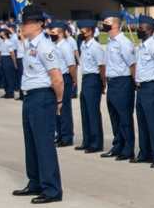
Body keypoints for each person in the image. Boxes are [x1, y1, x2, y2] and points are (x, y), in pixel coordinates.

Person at [11, 5, 65, 204]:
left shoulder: (45, 46)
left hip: (42, 97)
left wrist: (58, 101)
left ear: (37, 24)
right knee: (31, 142)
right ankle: (35, 182)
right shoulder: (31, 46)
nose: (22, 26)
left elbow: (57, 79)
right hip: (30, 97)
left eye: (25, 23)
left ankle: (52, 189)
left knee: (43, 144)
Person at [130, 16, 154, 168]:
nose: (139, 30)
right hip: (141, 88)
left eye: (142, 28)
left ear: (150, 31)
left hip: (151, 87)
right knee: (143, 122)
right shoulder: (143, 46)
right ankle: (145, 153)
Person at [100, 11, 136, 160]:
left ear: (115, 24)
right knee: (114, 116)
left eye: (107, 22)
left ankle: (128, 149)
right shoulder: (110, 42)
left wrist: (134, 84)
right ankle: (118, 146)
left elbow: (132, 65)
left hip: (123, 81)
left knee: (124, 116)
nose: (104, 24)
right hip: (112, 82)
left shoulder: (124, 43)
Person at [75, 19, 105, 153]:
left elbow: (101, 67)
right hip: (86, 79)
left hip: (94, 79)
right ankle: (87, 141)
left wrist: (103, 83)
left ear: (89, 32)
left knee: (93, 112)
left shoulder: (95, 47)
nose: (80, 34)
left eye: (82, 32)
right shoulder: (83, 45)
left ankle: (96, 142)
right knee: (85, 111)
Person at [47, 22, 77, 146]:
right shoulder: (54, 45)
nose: (50, 35)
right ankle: (59, 134)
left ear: (60, 33)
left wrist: (74, 80)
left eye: (53, 33)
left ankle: (66, 136)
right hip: (57, 77)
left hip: (64, 78)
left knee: (64, 108)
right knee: (56, 109)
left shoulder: (65, 46)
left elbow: (72, 65)